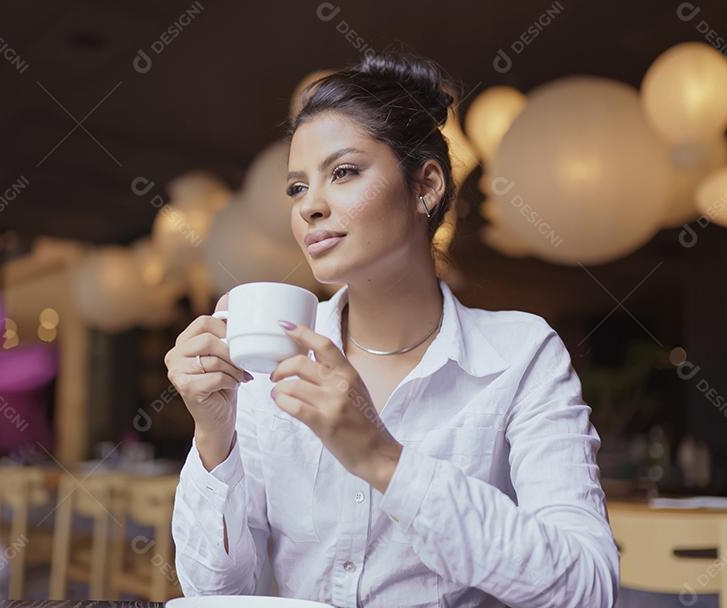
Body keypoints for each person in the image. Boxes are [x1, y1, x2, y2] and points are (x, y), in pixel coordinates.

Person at [165, 51, 619, 607]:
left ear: (425, 186)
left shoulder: (521, 354)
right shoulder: (269, 358)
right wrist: (214, 435)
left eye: (343, 172)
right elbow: (214, 593)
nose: (310, 207)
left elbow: (589, 588)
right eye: (297, 188)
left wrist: (382, 459)